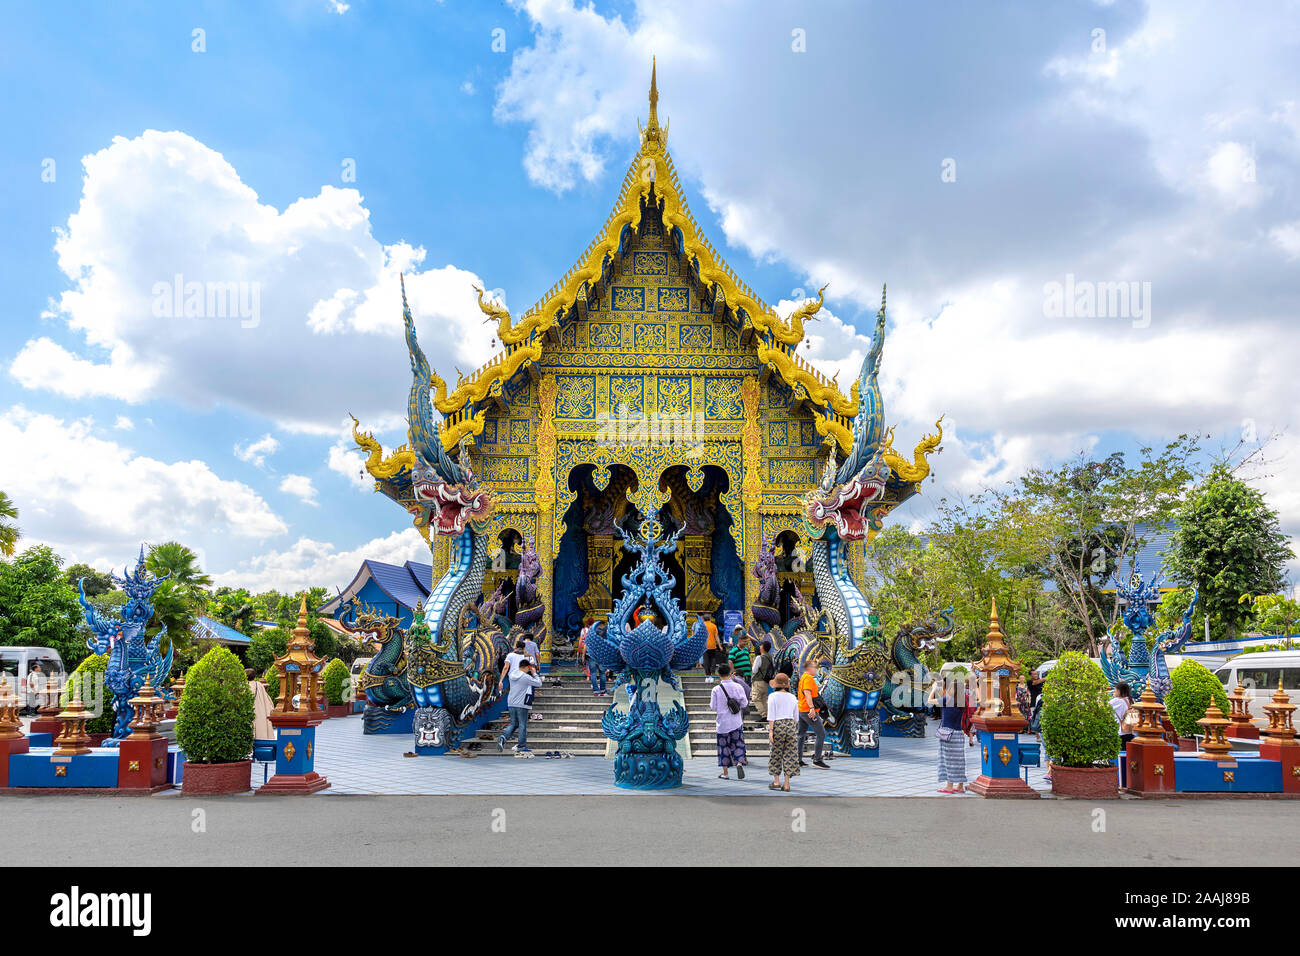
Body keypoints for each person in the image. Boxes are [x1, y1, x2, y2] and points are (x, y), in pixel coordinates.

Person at [928, 676, 975, 793]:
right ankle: (959, 786)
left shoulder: (947, 699)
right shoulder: (961, 701)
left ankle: (949, 786)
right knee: (959, 760)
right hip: (958, 734)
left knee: (948, 760)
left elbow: (929, 701)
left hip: (947, 734)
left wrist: (933, 689)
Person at [710, 662, 750, 779]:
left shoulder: (716, 689)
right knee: (738, 744)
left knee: (724, 747)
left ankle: (725, 773)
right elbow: (744, 703)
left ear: (719, 674)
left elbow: (713, 706)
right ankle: (739, 763)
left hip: (722, 723)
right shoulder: (738, 687)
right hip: (736, 721)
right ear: (730, 673)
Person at [497, 658, 542, 755]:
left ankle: (503, 737)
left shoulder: (512, 674)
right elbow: (539, 683)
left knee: (513, 724)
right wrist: (534, 673)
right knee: (522, 725)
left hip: (511, 703)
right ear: (526, 667)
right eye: (529, 668)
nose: (529, 670)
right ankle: (521, 746)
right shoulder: (525, 677)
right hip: (522, 704)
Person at [766, 672, 800, 791]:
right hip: (790, 725)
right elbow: (796, 717)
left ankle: (776, 782)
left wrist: (771, 730)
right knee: (790, 754)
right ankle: (786, 784)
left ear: (775, 684)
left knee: (776, 753)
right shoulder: (792, 697)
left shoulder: (772, 696)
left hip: (778, 725)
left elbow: (771, 715)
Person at [796, 659, 828, 769]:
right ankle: (817, 759)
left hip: (802, 709)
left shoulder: (803, 677)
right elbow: (808, 693)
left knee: (801, 734)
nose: (816, 669)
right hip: (808, 711)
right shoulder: (809, 678)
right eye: (815, 667)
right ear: (809, 668)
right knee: (821, 733)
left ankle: (798, 759)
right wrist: (812, 708)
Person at [750, 640, 775, 719]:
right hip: (766, 681)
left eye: (761, 645)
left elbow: (754, 670)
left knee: (756, 698)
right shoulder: (771, 657)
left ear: (762, 647)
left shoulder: (759, 657)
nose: (760, 647)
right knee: (764, 699)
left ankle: (764, 715)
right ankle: (768, 715)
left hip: (758, 680)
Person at [1111, 681, 1135, 747]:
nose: (1114, 692)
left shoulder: (1117, 701)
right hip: (1130, 732)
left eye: (1115, 690)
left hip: (1120, 732)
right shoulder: (1130, 701)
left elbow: (1104, 707)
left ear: (1119, 691)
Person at [701, 614, 722, 682]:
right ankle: (712, 675)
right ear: (710, 619)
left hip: (704, 646)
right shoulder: (713, 626)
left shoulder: (702, 626)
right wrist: (719, 645)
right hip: (713, 646)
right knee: (713, 661)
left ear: (704, 619)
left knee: (706, 661)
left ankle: (707, 676)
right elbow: (716, 637)